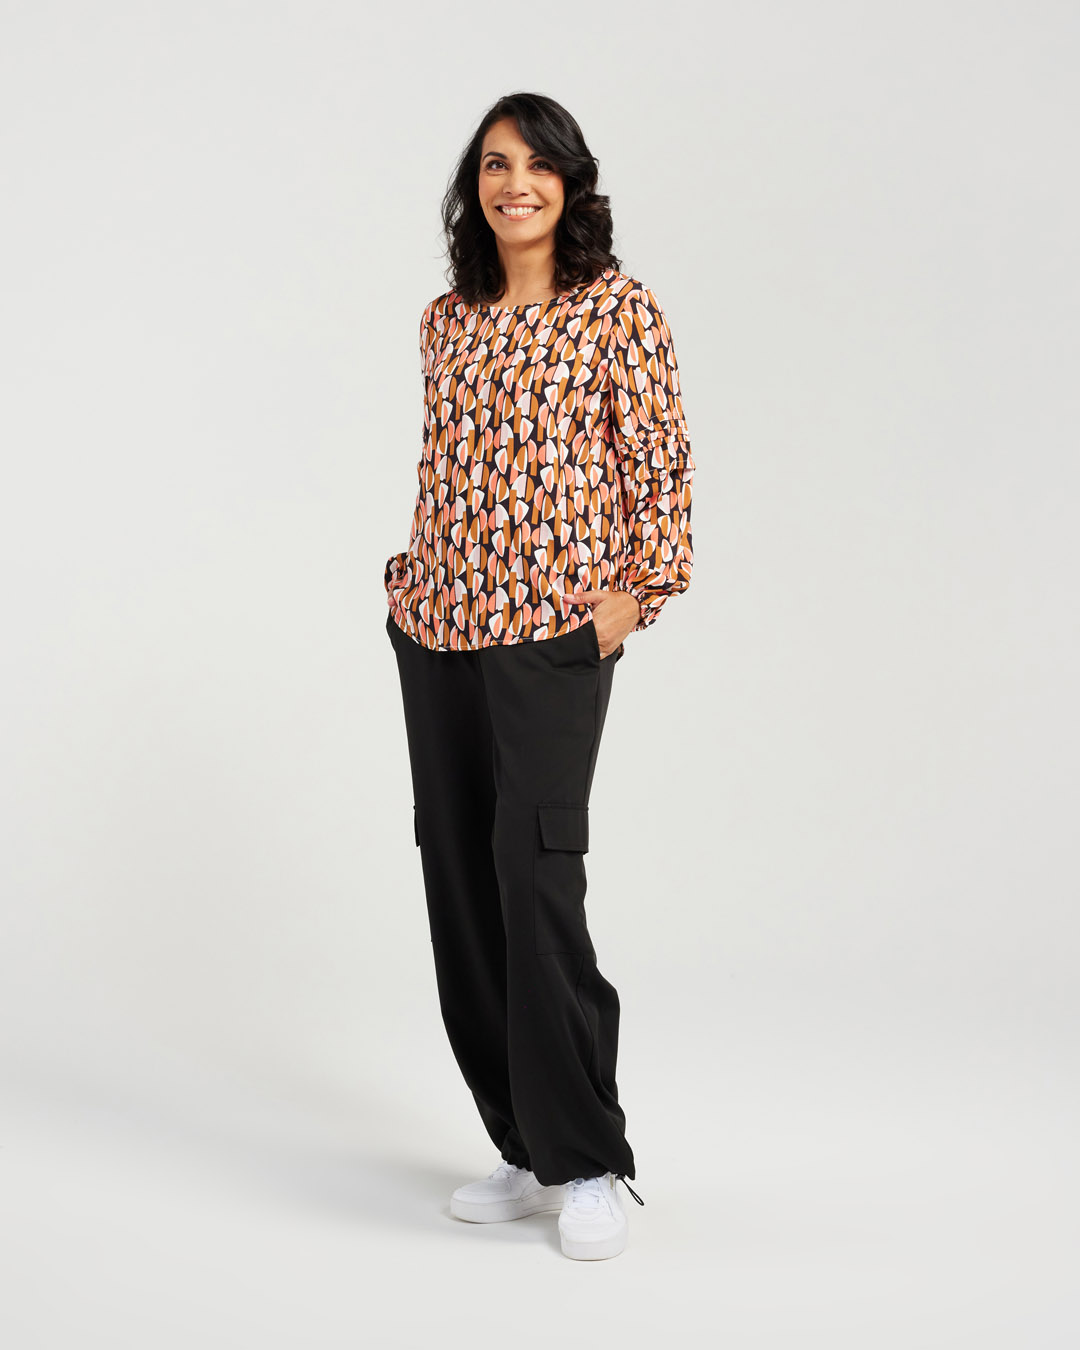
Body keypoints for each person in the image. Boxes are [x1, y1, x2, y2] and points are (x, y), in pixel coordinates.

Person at [383, 91, 695, 1261]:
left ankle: (589, 1157)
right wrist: (409, 588)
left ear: (570, 182)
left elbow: (662, 469)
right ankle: (520, 1140)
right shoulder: (446, 321)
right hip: (439, 631)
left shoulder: (618, 310)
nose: (515, 184)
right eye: (495, 165)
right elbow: (443, 467)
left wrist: (633, 598)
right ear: (475, 188)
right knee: (460, 879)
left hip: (554, 636)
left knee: (535, 876)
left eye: (536, 165)